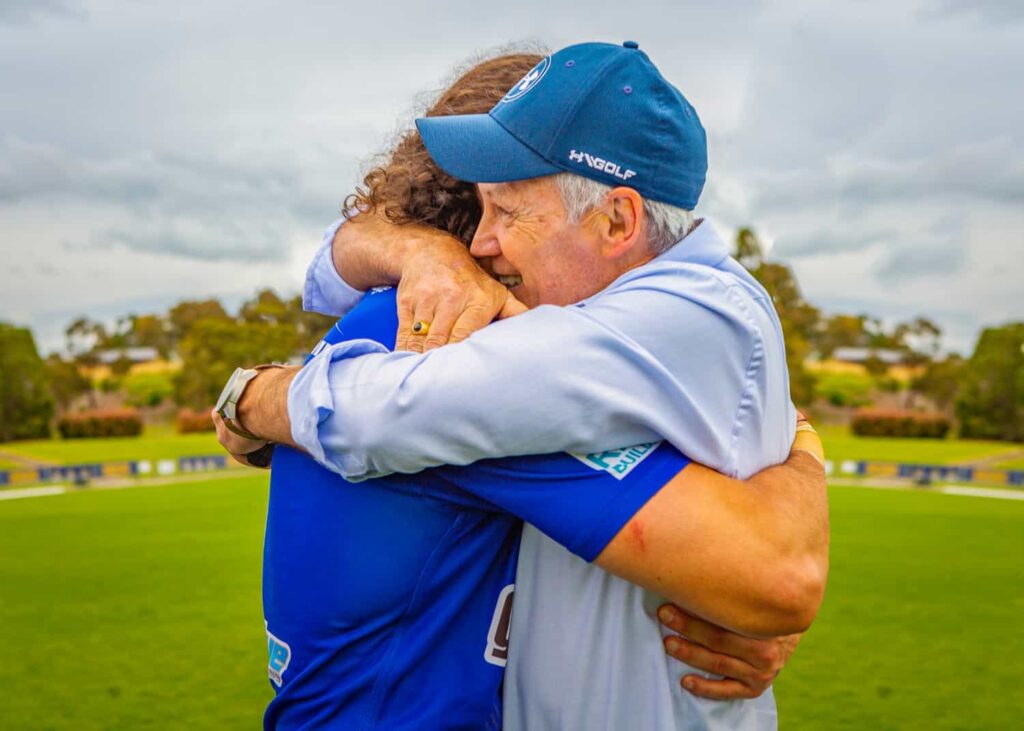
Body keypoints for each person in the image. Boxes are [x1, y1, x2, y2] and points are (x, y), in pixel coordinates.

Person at [218, 43, 829, 729]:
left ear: (619, 220)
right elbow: (331, 272)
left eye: (508, 210)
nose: (484, 243)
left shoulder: (627, 327)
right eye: (481, 210)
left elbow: (381, 409)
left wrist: (252, 399)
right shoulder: (446, 321)